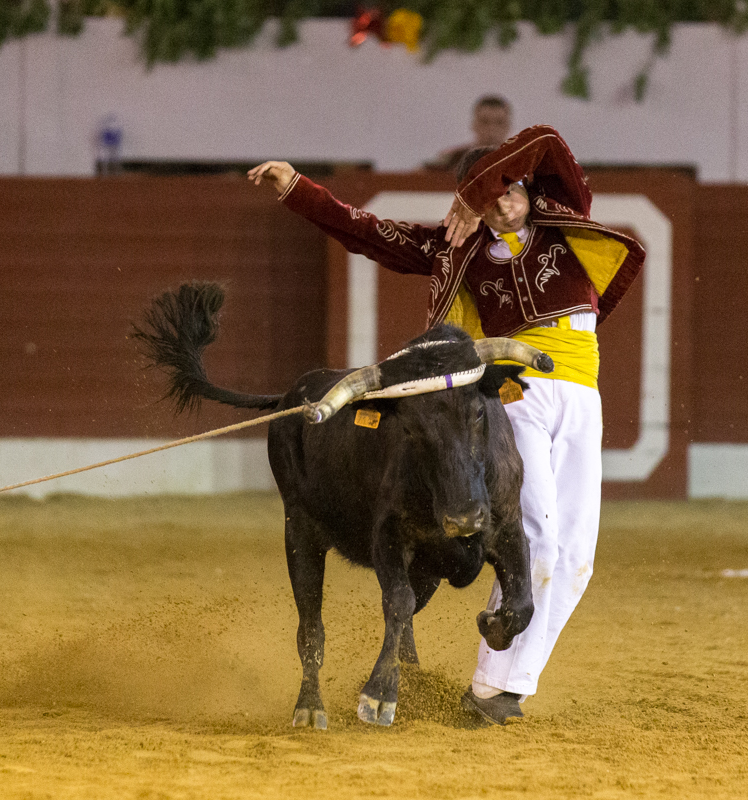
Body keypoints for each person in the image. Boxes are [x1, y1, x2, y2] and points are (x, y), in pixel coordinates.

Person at [249, 124, 646, 726]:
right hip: (517, 397)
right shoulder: (453, 249)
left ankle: (497, 686)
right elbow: (367, 232)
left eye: (510, 192)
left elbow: (547, 138)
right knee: (535, 536)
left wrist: (472, 192)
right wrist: (297, 188)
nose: (504, 205)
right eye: (488, 200)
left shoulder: (565, 217)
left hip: (583, 396)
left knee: (577, 560)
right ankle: (496, 686)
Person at [422, 94, 512, 173]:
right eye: (484, 122)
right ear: (474, 125)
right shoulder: (453, 159)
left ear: (508, 126)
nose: (492, 129)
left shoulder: (520, 161)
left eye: (499, 122)